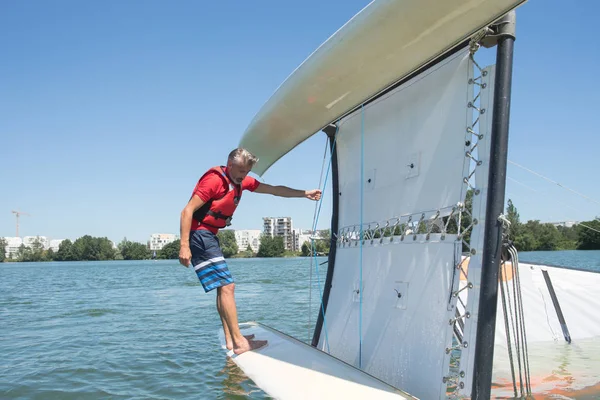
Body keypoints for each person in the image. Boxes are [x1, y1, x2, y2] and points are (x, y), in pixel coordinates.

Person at [179, 148, 322, 355]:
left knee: (223, 287)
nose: (242, 176)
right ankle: (239, 343)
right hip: (199, 235)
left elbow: (274, 190)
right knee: (228, 286)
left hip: (209, 235)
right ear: (229, 165)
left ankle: (231, 340)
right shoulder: (214, 181)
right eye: (239, 171)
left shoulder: (241, 182)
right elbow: (187, 211)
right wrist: (184, 245)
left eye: (246, 172)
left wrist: (304, 193)